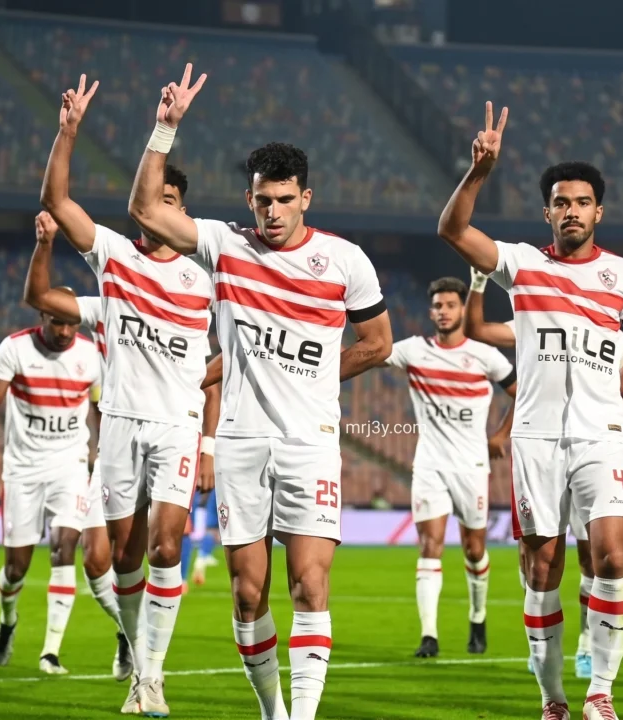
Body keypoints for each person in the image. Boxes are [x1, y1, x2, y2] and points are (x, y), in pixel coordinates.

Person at [127, 64, 393, 720]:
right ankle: (275, 711)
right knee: (248, 596)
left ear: (306, 198)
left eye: (284, 199)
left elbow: (378, 343)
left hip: (309, 444)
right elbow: (144, 210)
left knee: (309, 584)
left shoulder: (346, 262)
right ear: (249, 199)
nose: (272, 211)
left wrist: (315, 377)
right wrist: (165, 128)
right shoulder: (225, 245)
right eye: (262, 200)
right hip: (242, 445)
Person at [438, 102, 623, 720]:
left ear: (598, 212)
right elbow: (452, 231)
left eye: (582, 202)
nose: (572, 211)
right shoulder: (522, 264)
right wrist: (479, 171)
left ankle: (600, 694)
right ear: (548, 213)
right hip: (535, 438)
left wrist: (606, 398)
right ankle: (553, 699)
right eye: (561, 203)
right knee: (542, 569)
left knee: (611, 557)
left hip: (599, 436)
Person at [38, 74, 218, 716]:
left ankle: (153, 678)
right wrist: (67, 132)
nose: (161, 208)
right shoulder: (114, 256)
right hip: (118, 426)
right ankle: (141, 668)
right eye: (154, 197)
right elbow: (57, 200)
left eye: (171, 200)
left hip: (175, 427)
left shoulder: (206, 278)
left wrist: (207, 439)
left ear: (182, 212)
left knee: (168, 546)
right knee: (125, 558)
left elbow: (234, 354)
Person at [465, 267, 623, 682]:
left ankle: (584, 645)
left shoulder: (612, 335)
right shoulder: (535, 320)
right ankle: (544, 650)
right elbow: (477, 330)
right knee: (535, 558)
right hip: (541, 447)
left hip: (590, 451)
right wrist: (477, 284)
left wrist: (596, 402)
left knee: (591, 559)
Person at [0, 283, 106, 676]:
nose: (65, 331)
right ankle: (8, 620)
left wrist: (100, 454)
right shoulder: (14, 348)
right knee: (16, 569)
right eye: (57, 322)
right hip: (23, 469)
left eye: (72, 323)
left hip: (70, 464)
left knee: (65, 547)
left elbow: (98, 407)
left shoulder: (91, 355)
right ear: (42, 315)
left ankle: (51, 652)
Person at [21, 211, 134, 679]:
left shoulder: (102, 347)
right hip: (96, 460)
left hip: (145, 448)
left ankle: (146, 658)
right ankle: (128, 632)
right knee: (95, 561)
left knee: (142, 553)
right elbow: (98, 405)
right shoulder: (96, 324)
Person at [380, 275, 516, 658]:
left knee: (474, 549)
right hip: (430, 466)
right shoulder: (414, 351)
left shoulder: (486, 356)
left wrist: (500, 435)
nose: (443, 311)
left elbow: (523, 393)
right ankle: (429, 636)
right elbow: (374, 351)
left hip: (471, 467)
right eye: (438, 306)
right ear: (431, 312)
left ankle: (478, 616)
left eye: (451, 305)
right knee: (430, 546)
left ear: (462, 309)